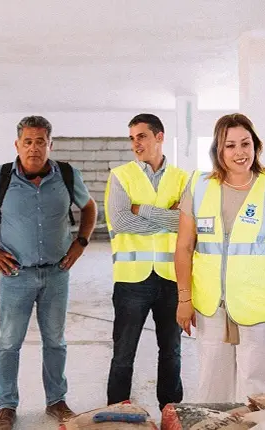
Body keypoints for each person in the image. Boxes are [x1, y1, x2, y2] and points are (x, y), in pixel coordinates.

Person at [0, 115, 97, 429]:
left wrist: (80, 243)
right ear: (17, 145)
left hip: (56, 273)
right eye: (28, 142)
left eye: (41, 142)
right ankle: (7, 405)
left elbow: (89, 207)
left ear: (50, 144)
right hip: (16, 275)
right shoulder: (0, 178)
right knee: (9, 342)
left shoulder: (67, 175)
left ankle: (56, 400)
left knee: (55, 341)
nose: (34, 148)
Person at [174, 113, 265, 403]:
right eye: (230, 145)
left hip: (260, 309)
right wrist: (184, 299)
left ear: (256, 146)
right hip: (210, 306)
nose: (239, 152)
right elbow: (183, 247)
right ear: (218, 150)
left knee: (259, 393)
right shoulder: (199, 186)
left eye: (245, 143)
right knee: (212, 389)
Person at [103, 113, 188, 410]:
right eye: (132, 138)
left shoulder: (182, 178)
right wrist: (167, 217)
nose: (135, 143)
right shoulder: (120, 175)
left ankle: (170, 410)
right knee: (123, 352)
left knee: (172, 351)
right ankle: (118, 410)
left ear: (159, 137)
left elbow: (187, 223)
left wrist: (143, 209)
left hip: (171, 278)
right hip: (131, 280)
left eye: (141, 136)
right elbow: (122, 221)